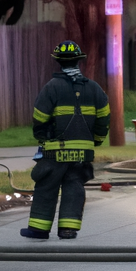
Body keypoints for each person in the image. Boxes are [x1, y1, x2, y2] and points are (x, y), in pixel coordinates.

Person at [21, 40, 110, 240]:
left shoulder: (52, 87)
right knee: (74, 187)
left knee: (47, 186)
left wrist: (42, 136)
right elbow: (104, 118)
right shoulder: (95, 89)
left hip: (55, 151)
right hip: (82, 152)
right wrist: (95, 140)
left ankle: (39, 229)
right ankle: (68, 229)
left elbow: (40, 117)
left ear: (58, 62)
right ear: (79, 62)